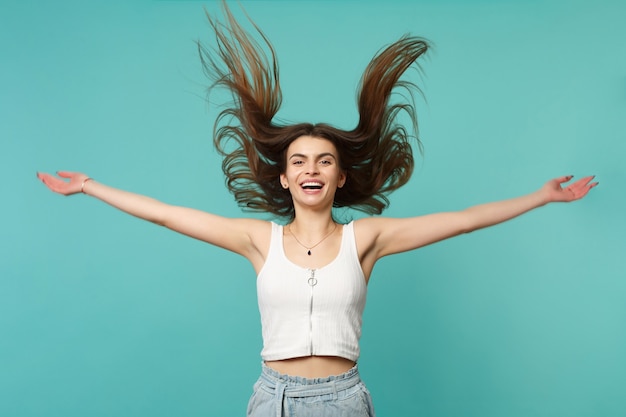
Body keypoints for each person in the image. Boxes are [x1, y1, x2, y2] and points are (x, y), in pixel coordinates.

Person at [37, 3, 597, 416]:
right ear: (284, 177)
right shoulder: (259, 241)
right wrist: (90, 186)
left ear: (339, 176)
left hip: (344, 400)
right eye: (299, 161)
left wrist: (541, 196)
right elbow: (165, 213)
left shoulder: (366, 240)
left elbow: (463, 220)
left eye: (324, 161)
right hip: (271, 398)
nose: (311, 169)